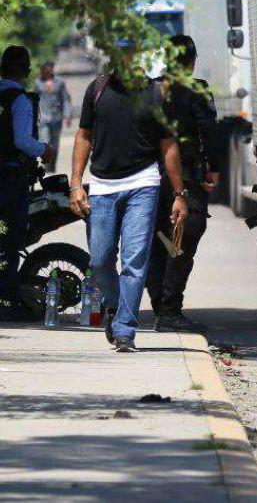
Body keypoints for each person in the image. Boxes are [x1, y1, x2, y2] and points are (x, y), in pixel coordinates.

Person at [70, 60, 186, 353]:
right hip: (102, 187)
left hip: (143, 185)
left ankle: (125, 331)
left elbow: (168, 145)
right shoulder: (96, 90)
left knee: (135, 263)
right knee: (99, 261)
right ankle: (114, 306)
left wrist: (179, 193)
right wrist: (75, 184)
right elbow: (83, 136)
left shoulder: (157, 94)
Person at [145, 36, 219, 334]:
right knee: (181, 242)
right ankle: (169, 310)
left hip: (150, 178)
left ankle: (160, 305)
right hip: (184, 179)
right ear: (192, 61)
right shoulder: (197, 90)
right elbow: (209, 132)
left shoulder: (151, 90)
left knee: (156, 242)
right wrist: (212, 169)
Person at [0, 46, 50, 322]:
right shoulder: (19, 100)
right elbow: (22, 142)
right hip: (8, 181)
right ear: (27, 72)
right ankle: (7, 302)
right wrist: (46, 149)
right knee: (9, 240)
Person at [36, 62, 71, 172]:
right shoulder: (38, 83)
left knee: (55, 143)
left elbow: (65, 99)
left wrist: (67, 115)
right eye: (46, 69)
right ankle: (46, 165)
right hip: (43, 118)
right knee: (45, 140)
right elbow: (35, 99)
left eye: (50, 68)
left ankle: (52, 166)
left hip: (57, 117)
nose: (48, 70)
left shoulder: (60, 82)